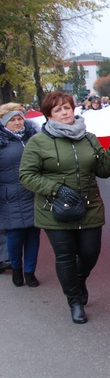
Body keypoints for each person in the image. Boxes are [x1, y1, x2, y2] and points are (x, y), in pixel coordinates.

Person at [19, 92, 110, 323]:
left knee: (90, 253)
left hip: (89, 206)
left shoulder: (88, 138)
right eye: (58, 110)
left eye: (67, 108)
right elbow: (26, 175)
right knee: (65, 256)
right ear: (49, 115)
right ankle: (74, 300)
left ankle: (78, 280)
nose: (65, 113)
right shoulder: (38, 142)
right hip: (54, 210)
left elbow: (104, 171)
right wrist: (56, 189)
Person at [0, 104, 40, 287]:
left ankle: (30, 272)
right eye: (12, 120)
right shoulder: (2, 143)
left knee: (33, 235)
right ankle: (16, 268)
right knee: (15, 237)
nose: (17, 123)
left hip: (33, 193)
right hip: (9, 197)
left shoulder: (34, 138)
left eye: (19, 119)